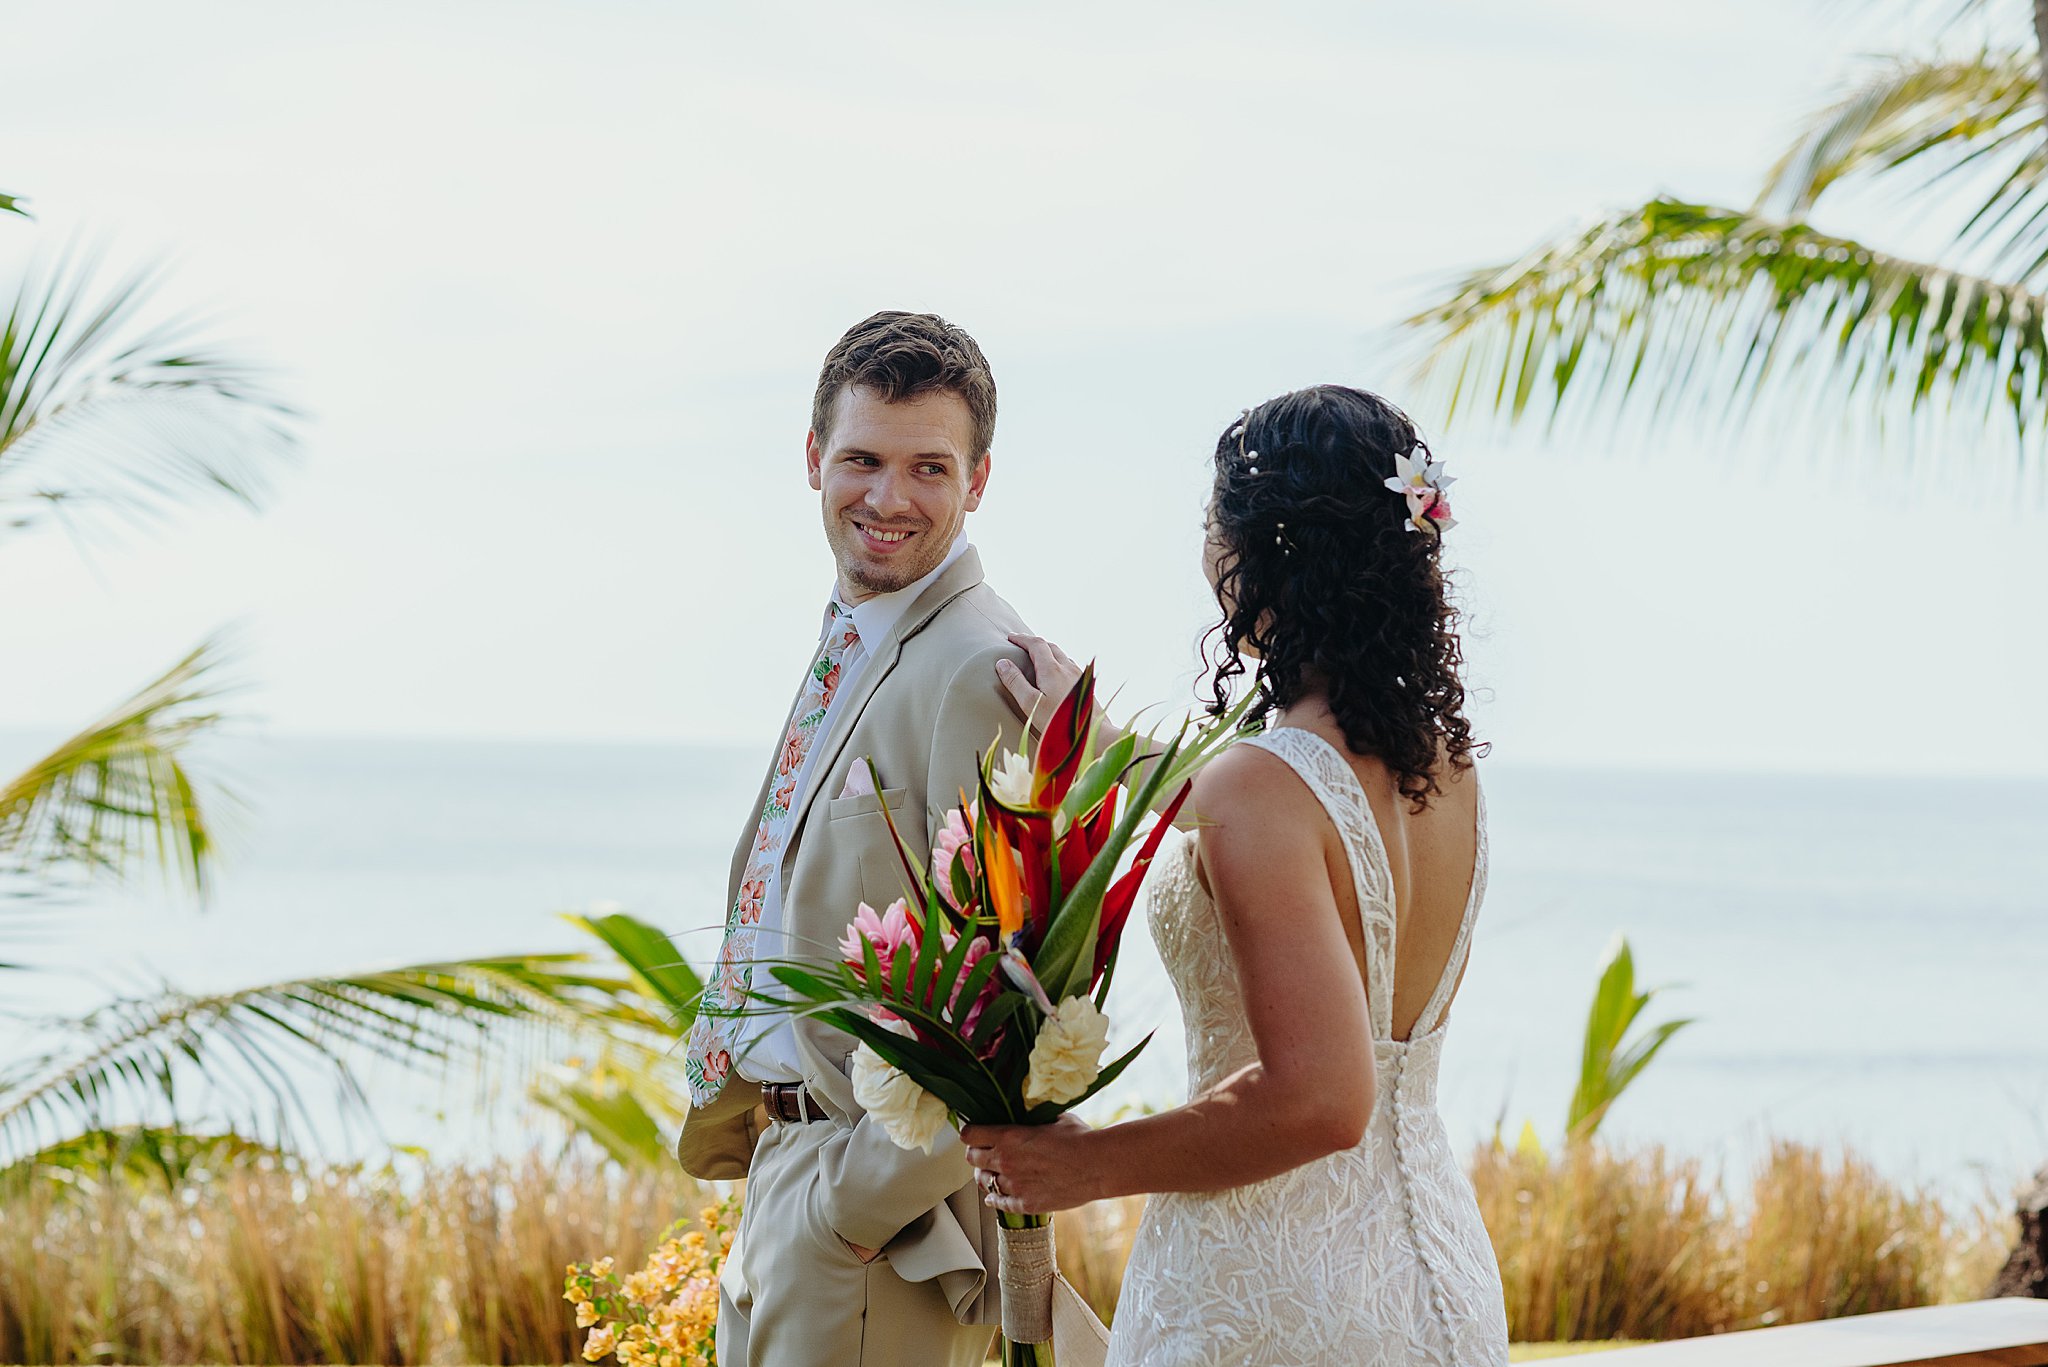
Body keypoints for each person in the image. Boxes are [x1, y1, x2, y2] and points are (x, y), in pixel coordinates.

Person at [963, 385, 1512, 1365]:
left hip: (1270, 1305)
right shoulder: (1444, 765)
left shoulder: (1259, 786)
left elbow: (1320, 1098)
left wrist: (1082, 1164)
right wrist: (1095, 748)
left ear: (1256, 554)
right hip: (1438, 1285)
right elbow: (1276, 815)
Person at [676, 311, 1027, 1367]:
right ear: (811, 460)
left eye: (929, 466)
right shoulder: (862, 629)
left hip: (873, 1237)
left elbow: (1012, 988)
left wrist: (851, 1210)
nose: (888, 498)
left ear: (978, 479)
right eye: (861, 459)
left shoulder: (975, 666)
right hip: (787, 1180)